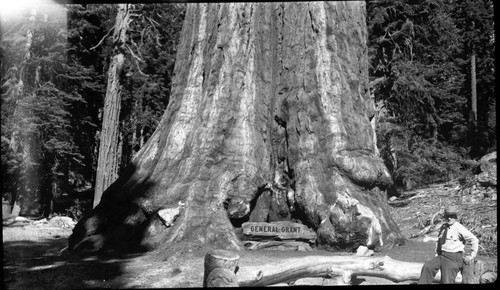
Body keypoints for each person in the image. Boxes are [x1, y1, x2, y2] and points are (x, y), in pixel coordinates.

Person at [418, 205, 479, 284]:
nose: (449, 218)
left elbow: (474, 240)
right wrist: (437, 254)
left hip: (453, 257)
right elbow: (439, 241)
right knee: (428, 267)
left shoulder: (459, 227)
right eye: (447, 216)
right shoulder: (443, 227)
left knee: (447, 280)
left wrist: (472, 255)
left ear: (455, 217)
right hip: (442, 255)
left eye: (451, 216)